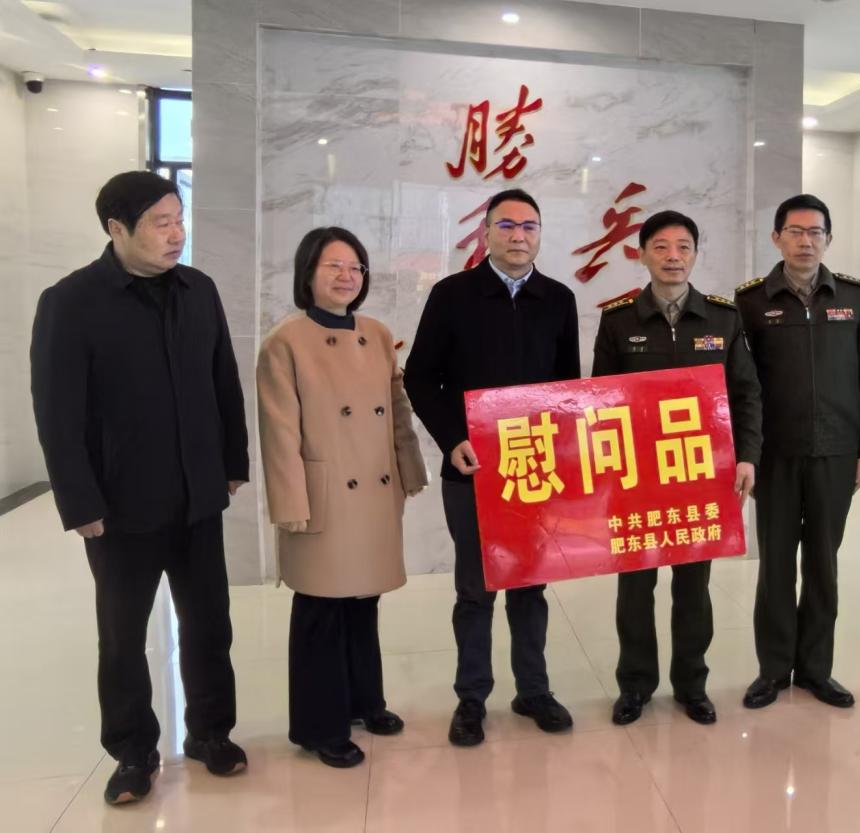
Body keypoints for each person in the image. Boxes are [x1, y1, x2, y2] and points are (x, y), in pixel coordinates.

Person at [30, 171, 249, 805]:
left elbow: (223, 381)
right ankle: (132, 751)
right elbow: (57, 412)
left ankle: (212, 732)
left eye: (179, 219)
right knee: (123, 635)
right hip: (120, 506)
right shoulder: (71, 301)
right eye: (160, 223)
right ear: (116, 229)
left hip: (198, 493)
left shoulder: (199, 290)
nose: (176, 233)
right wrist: (79, 502)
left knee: (209, 623)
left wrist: (232, 462)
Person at [404, 188, 580, 747]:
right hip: (473, 467)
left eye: (529, 226)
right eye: (506, 225)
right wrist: (451, 439)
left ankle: (534, 691)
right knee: (475, 589)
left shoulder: (558, 299)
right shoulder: (452, 295)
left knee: (530, 585)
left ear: (540, 235)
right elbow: (419, 377)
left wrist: (566, 461)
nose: (518, 236)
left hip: (535, 467)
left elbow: (567, 387)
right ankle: (472, 698)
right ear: (485, 234)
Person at [257, 227, 428, 768]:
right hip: (323, 495)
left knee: (362, 601)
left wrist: (410, 469)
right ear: (307, 273)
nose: (346, 276)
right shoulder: (285, 341)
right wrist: (290, 504)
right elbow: (278, 432)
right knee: (321, 608)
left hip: (374, 490)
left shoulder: (376, 334)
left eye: (355, 267)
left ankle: (363, 701)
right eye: (333, 265)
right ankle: (317, 727)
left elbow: (396, 409)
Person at [592, 210, 762, 726]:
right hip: (637, 479)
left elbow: (746, 393)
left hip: (699, 475)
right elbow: (600, 400)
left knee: (693, 588)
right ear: (642, 254)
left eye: (683, 246)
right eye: (661, 247)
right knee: (635, 589)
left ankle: (692, 684)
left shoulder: (722, 318)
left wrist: (747, 455)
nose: (673, 257)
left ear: (694, 255)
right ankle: (635, 685)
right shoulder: (618, 320)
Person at [735, 194, 860, 710]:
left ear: (828, 239)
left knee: (823, 564)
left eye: (816, 232)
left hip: (836, 453)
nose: (806, 241)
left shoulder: (852, 295)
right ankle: (774, 670)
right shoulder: (750, 301)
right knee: (776, 565)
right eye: (795, 232)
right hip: (775, 454)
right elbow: (741, 384)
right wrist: (748, 452)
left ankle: (817, 669)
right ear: (776, 238)